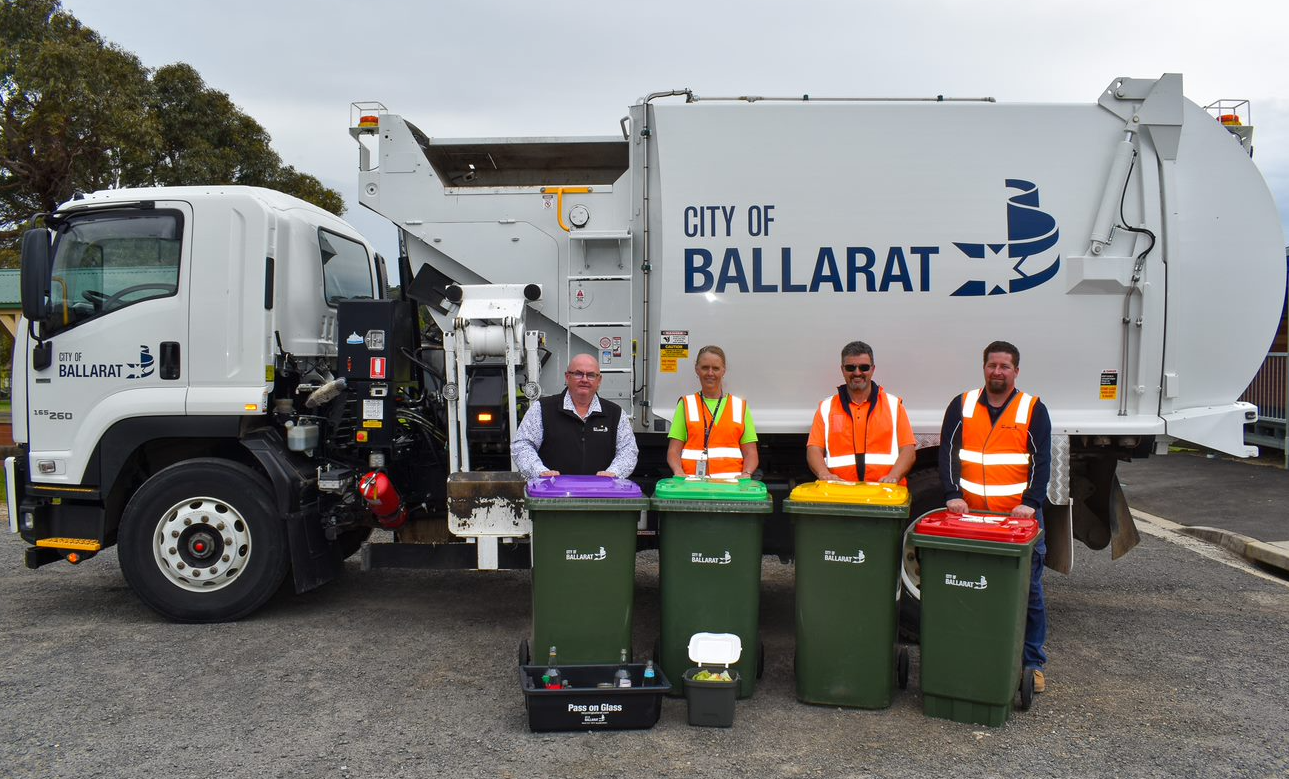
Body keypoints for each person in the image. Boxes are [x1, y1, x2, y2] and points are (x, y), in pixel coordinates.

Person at [939, 340, 1052, 692]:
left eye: (1005, 366)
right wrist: (953, 494)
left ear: (1016, 371)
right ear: (983, 367)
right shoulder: (963, 404)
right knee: (973, 588)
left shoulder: (1032, 408)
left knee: (1028, 592)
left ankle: (1032, 664)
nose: (997, 372)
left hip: (1016, 521)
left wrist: (1032, 502)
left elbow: (1042, 460)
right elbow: (947, 452)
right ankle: (976, 651)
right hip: (972, 517)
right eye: (992, 365)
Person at [511, 353, 638, 479]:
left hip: (601, 494)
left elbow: (628, 450)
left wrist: (613, 473)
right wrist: (540, 472)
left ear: (599, 381)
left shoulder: (615, 413)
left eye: (591, 375)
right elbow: (522, 445)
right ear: (567, 377)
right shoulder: (542, 409)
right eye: (578, 373)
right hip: (552, 494)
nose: (584, 379)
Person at [806, 341, 916, 485]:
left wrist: (894, 476)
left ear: (873, 369)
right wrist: (824, 474)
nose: (857, 373)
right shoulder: (826, 408)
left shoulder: (894, 406)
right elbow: (814, 450)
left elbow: (908, 451)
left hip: (885, 494)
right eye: (850, 367)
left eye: (863, 367)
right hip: (841, 493)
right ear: (842, 369)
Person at [666, 345, 758, 479]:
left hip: (730, 487)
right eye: (705, 367)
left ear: (723, 371)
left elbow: (751, 453)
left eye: (715, 368)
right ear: (697, 370)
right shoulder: (685, 404)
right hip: (693, 486)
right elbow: (673, 451)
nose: (710, 373)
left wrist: (747, 473)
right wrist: (678, 470)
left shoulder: (740, 406)